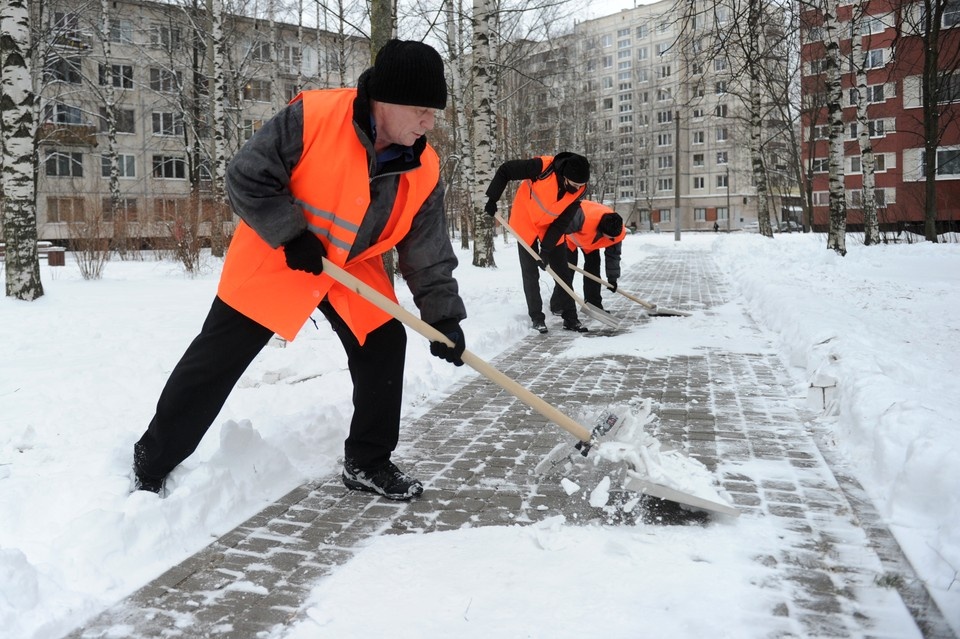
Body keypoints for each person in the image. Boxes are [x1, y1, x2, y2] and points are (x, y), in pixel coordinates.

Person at [131, 40, 467, 502]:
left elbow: (427, 247)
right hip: (281, 253)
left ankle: (367, 462)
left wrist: (442, 315)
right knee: (217, 357)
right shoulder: (314, 117)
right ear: (384, 101)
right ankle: (153, 460)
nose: (430, 122)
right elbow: (246, 175)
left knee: (385, 342)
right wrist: (290, 233)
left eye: (433, 111)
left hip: (351, 266)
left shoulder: (424, 165)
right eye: (420, 109)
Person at [483, 152, 590, 333]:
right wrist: (493, 198)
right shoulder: (542, 167)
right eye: (573, 184)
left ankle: (571, 318)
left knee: (562, 272)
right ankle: (537, 318)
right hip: (525, 221)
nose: (577, 188)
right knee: (531, 273)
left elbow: (562, 222)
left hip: (550, 227)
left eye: (580, 185)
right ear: (564, 176)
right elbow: (506, 170)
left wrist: (546, 249)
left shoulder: (579, 189)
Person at [550, 200, 625, 314]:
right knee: (566, 272)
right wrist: (548, 248)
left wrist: (612, 279)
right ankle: (558, 304)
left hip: (590, 243)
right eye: (607, 237)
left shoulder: (616, 230)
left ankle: (593, 304)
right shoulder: (581, 216)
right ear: (601, 229)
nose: (610, 240)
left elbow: (613, 256)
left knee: (593, 269)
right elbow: (558, 229)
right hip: (570, 238)